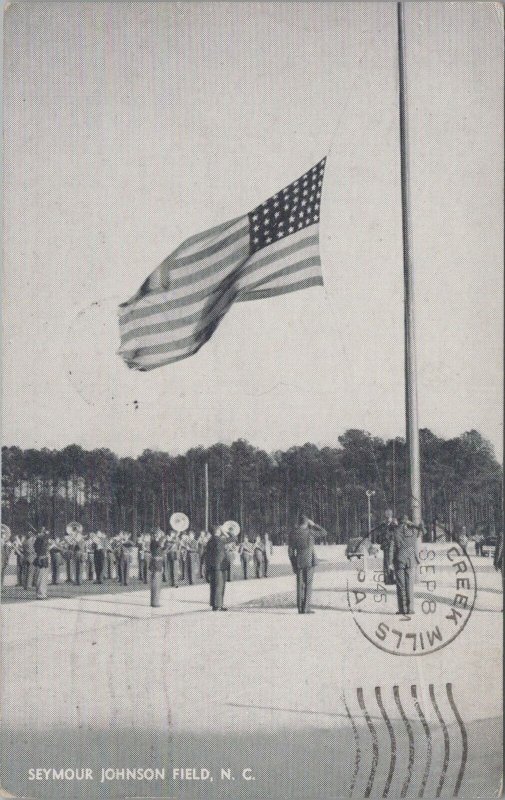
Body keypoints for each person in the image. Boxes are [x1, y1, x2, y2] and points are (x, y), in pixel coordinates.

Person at [388, 514, 422, 617]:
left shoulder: (395, 531)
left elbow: (391, 548)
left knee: (400, 585)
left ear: (399, 521)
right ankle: (410, 609)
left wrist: (390, 562)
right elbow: (422, 531)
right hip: (411, 560)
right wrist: (412, 524)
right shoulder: (413, 531)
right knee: (410, 585)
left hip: (399, 560)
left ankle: (402, 609)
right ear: (407, 521)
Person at [289, 514, 322, 614]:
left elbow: (290, 551)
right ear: (307, 523)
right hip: (309, 561)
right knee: (308, 584)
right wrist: (314, 525)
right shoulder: (310, 532)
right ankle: (306, 608)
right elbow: (324, 532)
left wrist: (293, 564)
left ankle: (300, 608)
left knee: (299, 585)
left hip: (298, 561)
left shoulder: (293, 533)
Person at [205, 526, 229, 611]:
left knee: (214, 586)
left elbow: (207, 555)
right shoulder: (219, 540)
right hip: (220, 567)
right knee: (220, 586)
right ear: (218, 531)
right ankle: (218, 605)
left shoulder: (209, 541)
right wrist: (225, 531)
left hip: (212, 566)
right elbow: (233, 538)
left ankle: (215, 605)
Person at [372, 509, 398, 585]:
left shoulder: (394, 524)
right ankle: (388, 580)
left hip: (393, 546)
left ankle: (391, 578)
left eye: (389, 516)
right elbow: (381, 535)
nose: (388, 517)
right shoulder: (384, 525)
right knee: (387, 563)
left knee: (392, 563)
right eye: (387, 516)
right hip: (387, 546)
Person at [150, 528, 167, 607]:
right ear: (156, 535)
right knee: (155, 583)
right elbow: (160, 545)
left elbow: (163, 549)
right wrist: (163, 538)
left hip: (158, 562)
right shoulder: (154, 542)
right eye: (159, 534)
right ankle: (155, 602)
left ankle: (155, 601)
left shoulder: (156, 542)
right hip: (156, 562)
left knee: (157, 583)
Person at [34, 527, 51, 599]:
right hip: (43, 559)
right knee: (42, 578)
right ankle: (41, 594)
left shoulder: (38, 539)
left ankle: (41, 593)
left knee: (40, 577)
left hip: (40, 558)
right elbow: (45, 545)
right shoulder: (42, 539)